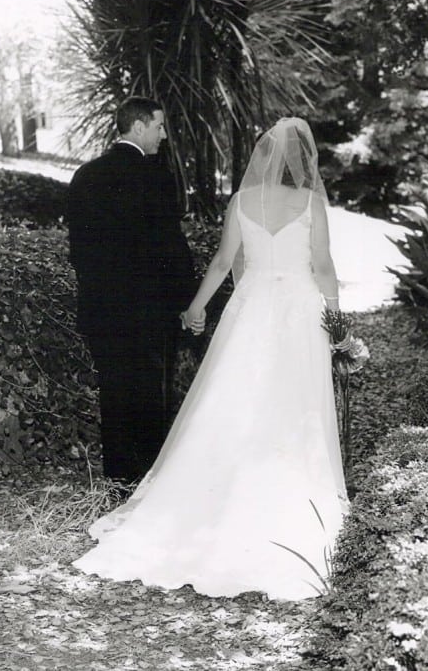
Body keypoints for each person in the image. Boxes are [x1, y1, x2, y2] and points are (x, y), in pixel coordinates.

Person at [73, 117, 349, 600]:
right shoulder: (311, 203)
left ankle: (209, 493)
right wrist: (338, 323)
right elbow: (324, 266)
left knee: (234, 398)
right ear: (305, 159)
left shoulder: (242, 202)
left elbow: (223, 263)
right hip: (299, 313)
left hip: (252, 309)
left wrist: (197, 307)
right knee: (293, 403)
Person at [67, 96, 197, 487]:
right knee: (150, 396)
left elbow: (79, 252)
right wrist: (187, 301)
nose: (163, 135)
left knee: (114, 394)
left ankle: (118, 478)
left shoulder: (84, 176)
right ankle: (149, 481)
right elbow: (171, 249)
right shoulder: (154, 176)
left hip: (101, 311)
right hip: (146, 313)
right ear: (138, 127)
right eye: (159, 127)